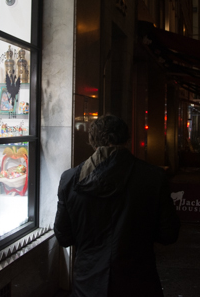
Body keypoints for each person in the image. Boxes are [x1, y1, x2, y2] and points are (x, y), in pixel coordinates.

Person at [54, 114, 180, 296]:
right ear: (127, 140)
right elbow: (169, 234)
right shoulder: (153, 177)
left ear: (92, 141)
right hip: (139, 282)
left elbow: (63, 237)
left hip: (88, 284)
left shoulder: (70, 179)